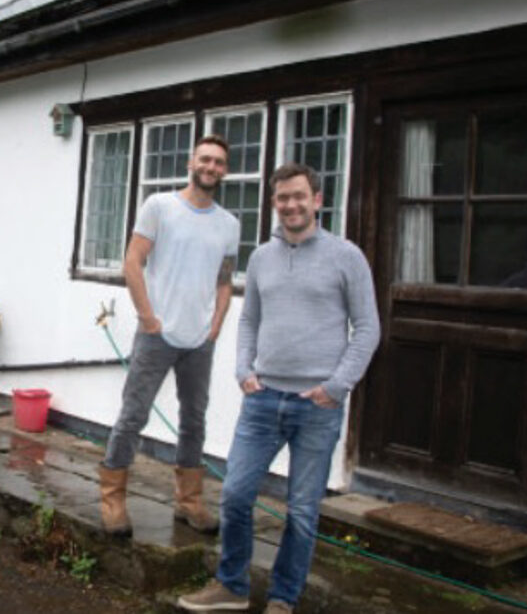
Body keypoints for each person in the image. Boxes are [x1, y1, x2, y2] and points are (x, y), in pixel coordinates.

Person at [178, 162, 380, 613]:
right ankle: (231, 585)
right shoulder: (261, 258)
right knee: (234, 495)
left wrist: (338, 386)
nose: (291, 205)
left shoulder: (347, 256)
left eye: (298, 196)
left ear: (318, 201)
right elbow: (250, 318)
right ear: (274, 204)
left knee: (303, 512)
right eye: (282, 198)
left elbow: (367, 328)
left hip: (317, 406)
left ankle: (283, 599)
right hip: (263, 399)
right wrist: (243, 368)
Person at [99, 134, 240, 536]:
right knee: (133, 414)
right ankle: (113, 500)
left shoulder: (228, 224)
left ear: (224, 171)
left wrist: (215, 326)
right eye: (205, 159)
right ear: (190, 163)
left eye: (218, 162)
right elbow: (133, 260)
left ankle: (189, 502)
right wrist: (147, 317)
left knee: (194, 420)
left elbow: (225, 280)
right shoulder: (160, 206)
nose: (211, 167)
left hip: (200, 341)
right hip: (157, 334)